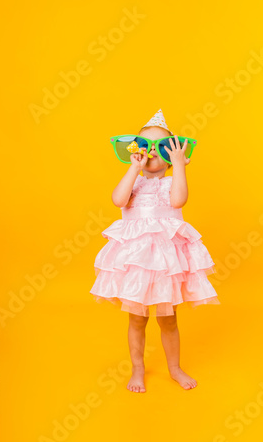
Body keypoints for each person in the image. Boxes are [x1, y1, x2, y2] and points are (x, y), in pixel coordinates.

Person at [90, 109, 220, 393]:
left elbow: (178, 201)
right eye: (144, 147)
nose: (151, 154)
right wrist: (133, 168)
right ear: (134, 150)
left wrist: (181, 166)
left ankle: (174, 367)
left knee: (169, 319)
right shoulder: (134, 181)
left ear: (171, 156)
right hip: (136, 262)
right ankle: (138, 369)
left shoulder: (171, 182)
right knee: (137, 318)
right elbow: (117, 200)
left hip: (165, 263)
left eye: (161, 148)